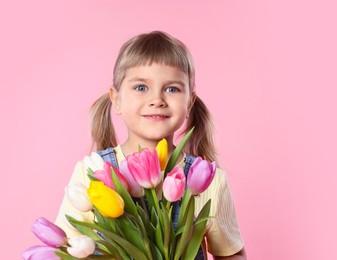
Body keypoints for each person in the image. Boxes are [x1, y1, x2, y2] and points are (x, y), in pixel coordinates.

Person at [55, 31, 246, 259]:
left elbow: (231, 254)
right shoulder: (91, 173)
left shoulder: (208, 182)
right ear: (116, 100)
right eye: (141, 87)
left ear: (190, 102)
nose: (157, 100)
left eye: (172, 89)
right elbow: (64, 249)